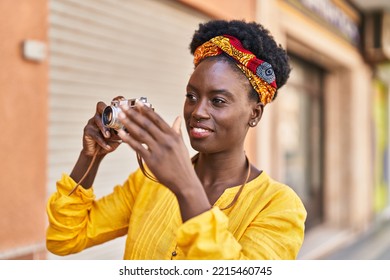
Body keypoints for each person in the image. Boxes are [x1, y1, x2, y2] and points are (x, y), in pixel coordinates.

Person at [46, 19, 307, 260]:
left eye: (218, 101)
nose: (197, 112)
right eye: (191, 96)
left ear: (254, 113)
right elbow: (66, 238)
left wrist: (185, 186)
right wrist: (90, 158)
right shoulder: (149, 179)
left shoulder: (279, 206)